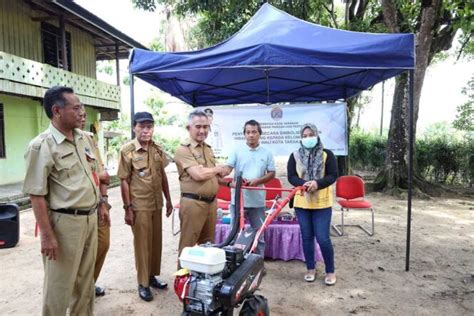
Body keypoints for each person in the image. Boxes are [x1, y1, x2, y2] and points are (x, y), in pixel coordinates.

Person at [22, 86, 108, 315]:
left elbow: (92, 176)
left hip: (89, 219)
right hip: (64, 224)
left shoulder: (85, 139)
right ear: (57, 110)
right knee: (59, 287)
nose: (82, 112)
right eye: (76, 107)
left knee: (85, 283)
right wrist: (47, 236)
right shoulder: (42, 146)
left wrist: (101, 203)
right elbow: (36, 194)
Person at [117, 112, 173, 302]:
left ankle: (151, 276)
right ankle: (142, 283)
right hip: (139, 205)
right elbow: (124, 181)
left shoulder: (157, 149)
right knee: (142, 245)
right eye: (142, 126)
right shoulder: (127, 151)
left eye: (149, 126)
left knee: (155, 242)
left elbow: (163, 175)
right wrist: (127, 208)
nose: (146, 130)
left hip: (156, 203)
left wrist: (169, 200)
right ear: (134, 128)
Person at [287, 123, 338, 285]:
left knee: (323, 238)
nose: (308, 138)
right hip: (302, 203)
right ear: (301, 138)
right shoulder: (294, 155)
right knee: (307, 237)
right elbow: (291, 176)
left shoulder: (326, 155)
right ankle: (310, 268)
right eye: (305, 135)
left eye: (311, 135)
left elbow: (332, 175)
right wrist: (304, 183)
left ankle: (330, 270)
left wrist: (317, 183)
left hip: (322, 203)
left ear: (316, 135)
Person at [174, 110, 228, 258]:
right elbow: (198, 175)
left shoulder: (207, 149)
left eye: (206, 127)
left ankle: (203, 280)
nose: (202, 130)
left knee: (208, 246)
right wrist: (218, 168)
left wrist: (230, 184)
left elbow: (212, 176)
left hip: (211, 204)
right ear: (188, 127)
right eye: (198, 126)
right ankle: (183, 280)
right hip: (193, 204)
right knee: (188, 247)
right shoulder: (183, 149)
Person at [224, 120, 276, 256]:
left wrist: (258, 181)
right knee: (234, 233)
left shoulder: (267, 153)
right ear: (244, 134)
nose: (251, 135)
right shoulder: (236, 151)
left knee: (259, 233)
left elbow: (272, 173)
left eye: (254, 132)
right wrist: (220, 173)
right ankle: (233, 263)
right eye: (248, 132)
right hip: (238, 201)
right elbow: (227, 169)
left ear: (259, 134)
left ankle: (258, 263)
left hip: (257, 201)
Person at [79, 109, 111, 297]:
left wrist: (104, 201)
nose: (82, 118)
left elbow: (103, 175)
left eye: (84, 115)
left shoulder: (89, 139)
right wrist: (97, 176)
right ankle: (78, 290)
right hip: (76, 210)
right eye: (77, 113)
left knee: (103, 244)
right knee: (79, 253)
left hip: (97, 204)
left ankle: (89, 284)